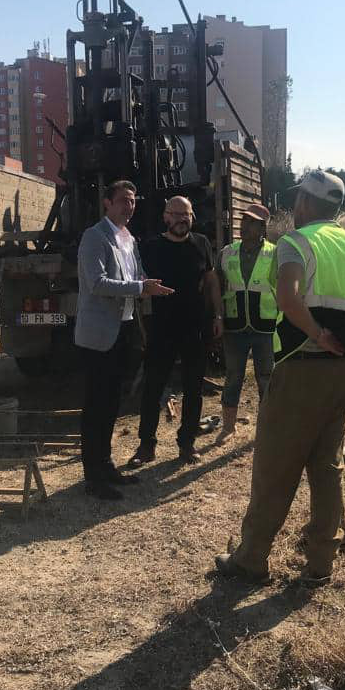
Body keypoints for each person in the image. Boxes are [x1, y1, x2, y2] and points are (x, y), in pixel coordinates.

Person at [215, 170, 345, 583]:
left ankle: (251, 559)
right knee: (327, 467)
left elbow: (288, 297)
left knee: (274, 467)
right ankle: (321, 562)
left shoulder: (296, 243)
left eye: (297, 200)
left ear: (304, 202)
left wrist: (317, 333)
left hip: (301, 368)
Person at [75, 180, 173, 500]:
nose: (129, 206)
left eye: (132, 201)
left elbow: (136, 275)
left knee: (112, 403)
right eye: (122, 200)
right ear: (107, 203)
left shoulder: (129, 239)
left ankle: (106, 466)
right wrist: (139, 288)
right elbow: (97, 283)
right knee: (96, 406)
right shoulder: (95, 237)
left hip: (123, 329)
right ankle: (93, 477)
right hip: (98, 335)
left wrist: (148, 283)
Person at [129, 195, 222, 467]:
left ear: (192, 217)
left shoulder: (201, 244)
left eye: (187, 214)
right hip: (162, 328)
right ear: (165, 217)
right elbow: (137, 284)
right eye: (176, 214)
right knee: (153, 387)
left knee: (194, 388)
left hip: (195, 328)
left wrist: (218, 314)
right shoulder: (151, 247)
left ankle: (187, 443)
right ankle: (146, 446)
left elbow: (210, 280)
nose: (182, 219)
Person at [216, 203, 277, 445]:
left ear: (263, 228)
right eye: (244, 220)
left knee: (266, 378)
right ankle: (228, 428)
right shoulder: (227, 252)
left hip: (266, 327)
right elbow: (216, 284)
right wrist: (217, 316)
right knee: (233, 376)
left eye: (252, 222)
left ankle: (267, 428)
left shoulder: (275, 253)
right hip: (235, 326)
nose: (245, 226)